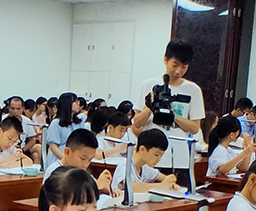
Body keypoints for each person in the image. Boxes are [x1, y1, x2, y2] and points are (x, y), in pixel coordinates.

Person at [132, 41, 206, 181]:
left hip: (180, 159)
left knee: (179, 192)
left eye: (184, 67)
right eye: (175, 65)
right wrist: (150, 108)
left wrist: (173, 115)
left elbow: (195, 128)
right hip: (150, 159)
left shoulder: (193, 90)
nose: (178, 71)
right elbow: (136, 124)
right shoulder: (148, 85)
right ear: (165, 60)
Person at [43, 128, 115, 195]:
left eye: (90, 160)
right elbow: (65, 197)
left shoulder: (84, 173)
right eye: (83, 159)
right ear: (67, 152)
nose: (86, 164)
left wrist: (108, 189)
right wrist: (95, 187)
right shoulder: (54, 171)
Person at [111, 129, 179, 193]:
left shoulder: (146, 167)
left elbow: (164, 179)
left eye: (161, 156)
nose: (158, 159)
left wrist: (171, 182)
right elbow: (130, 186)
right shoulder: (125, 165)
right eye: (156, 155)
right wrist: (161, 186)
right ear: (142, 149)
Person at [46, 92, 85, 166]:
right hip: (59, 159)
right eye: (75, 101)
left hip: (75, 158)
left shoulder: (79, 122)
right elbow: (53, 147)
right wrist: (67, 160)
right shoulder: (56, 123)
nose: (78, 104)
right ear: (67, 104)